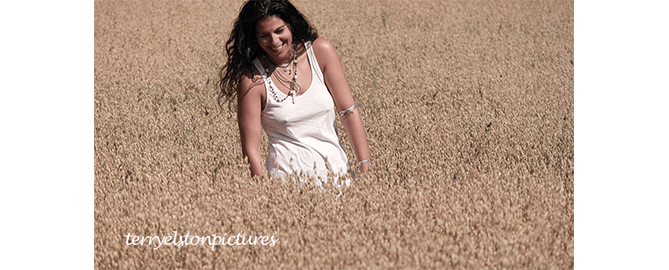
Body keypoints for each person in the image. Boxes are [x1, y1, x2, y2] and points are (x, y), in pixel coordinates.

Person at [218, 0, 373, 187]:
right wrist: (266, 196)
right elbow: (251, 149)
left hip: (339, 179)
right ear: (255, 38)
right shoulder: (252, 79)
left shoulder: (320, 52)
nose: (274, 41)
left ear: (291, 25)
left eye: (279, 31)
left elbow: (349, 112)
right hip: (287, 189)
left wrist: (366, 169)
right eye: (264, 35)